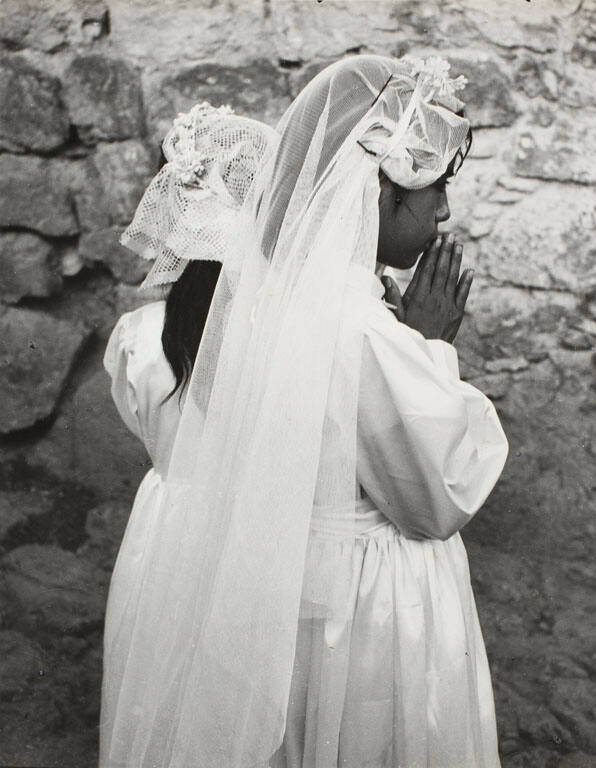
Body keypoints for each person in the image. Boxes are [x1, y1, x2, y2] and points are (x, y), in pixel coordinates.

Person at [102, 55, 509, 768]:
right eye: (435, 187)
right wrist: (428, 348)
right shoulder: (361, 334)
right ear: (375, 190)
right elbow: (436, 497)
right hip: (360, 606)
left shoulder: (199, 323)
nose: (443, 211)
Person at [99, 102, 278, 768]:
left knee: (160, 693)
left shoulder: (138, 338)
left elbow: (141, 420)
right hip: (255, 540)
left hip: (164, 530)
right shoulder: (278, 336)